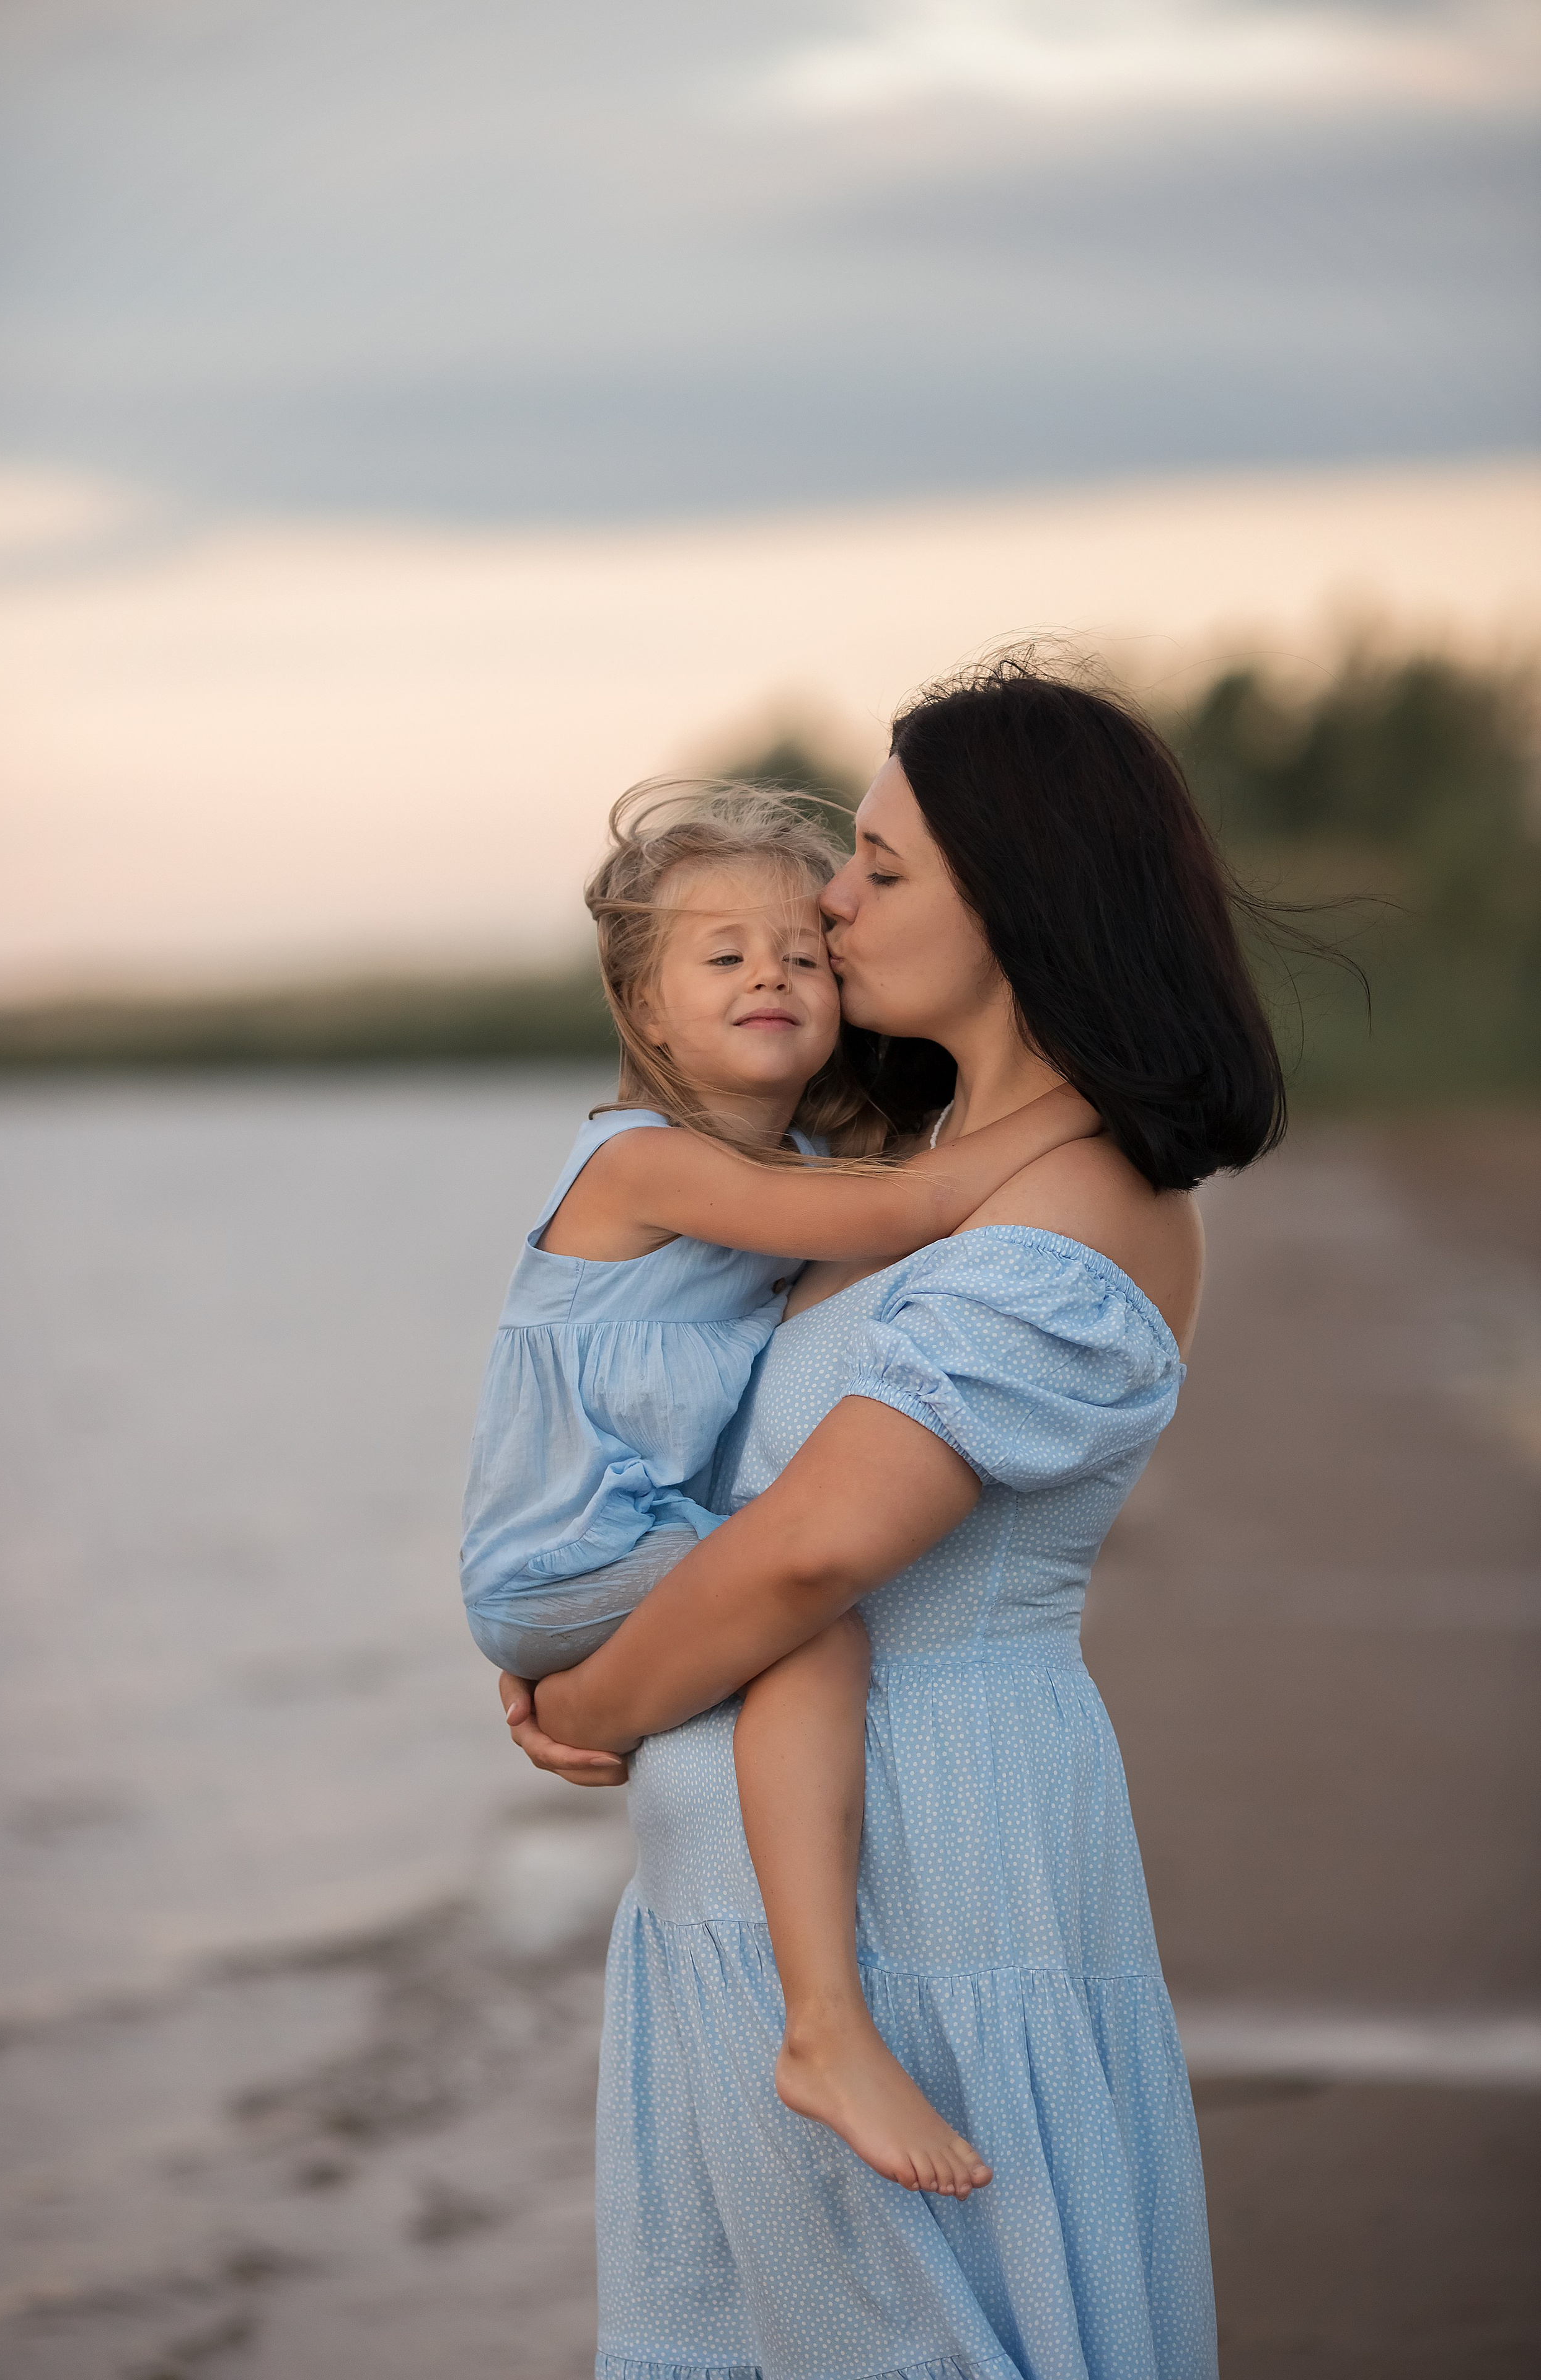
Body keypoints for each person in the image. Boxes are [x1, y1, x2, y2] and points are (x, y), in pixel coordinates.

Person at [502, 656, 1287, 2380]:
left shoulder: (1072, 1208)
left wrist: (597, 1704)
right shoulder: (911, 1168)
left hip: (931, 1892)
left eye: (878, 866)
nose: (830, 905)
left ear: (1017, 903)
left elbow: (815, 1547)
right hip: (766, 1919)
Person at [462, 783, 1100, 2197]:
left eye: (801, 954)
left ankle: (819, 2013)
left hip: (624, 1547)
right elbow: (903, 1214)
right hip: (573, 1559)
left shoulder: (795, 1162)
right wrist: (1088, 1099)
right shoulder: (641, 1162)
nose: (771, 974)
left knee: (794, 1612)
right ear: (644, 1006)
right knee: (810, 1625)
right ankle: (822, 2027)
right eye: (722, 956)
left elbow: (888, 1223)